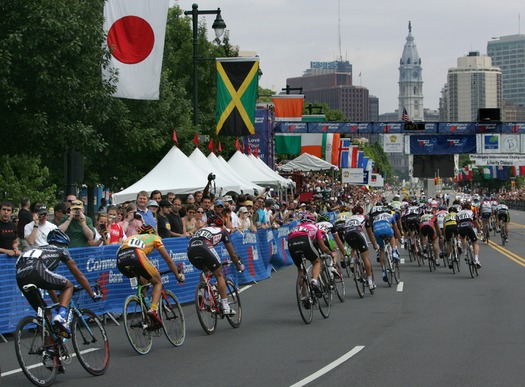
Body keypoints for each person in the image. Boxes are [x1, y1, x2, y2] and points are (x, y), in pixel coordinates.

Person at [15, 229, 100, 337]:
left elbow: (48, 284)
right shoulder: (61, 250)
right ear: (64, 244)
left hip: (20, 276)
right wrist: (92, 294)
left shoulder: (41, 249)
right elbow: (78, 275)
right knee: (69, 286)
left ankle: (48, 350)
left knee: (47, 315)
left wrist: (58, 304)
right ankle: (61, 317)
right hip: (36, 270)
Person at [116, 225, 185, 325]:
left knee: (142, 280)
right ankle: (153, 310)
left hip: (120, 259)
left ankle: (146, 308)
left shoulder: (132, 237)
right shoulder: (155, 238)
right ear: (153, 233)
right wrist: (177, 275)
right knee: (157, 282)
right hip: (136, 254)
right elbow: (168, 260)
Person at [187, 214, 244, 316]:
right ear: (221, 225)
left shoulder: (202, 229)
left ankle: (201, 296)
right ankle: (226, 307)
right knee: (219, 274)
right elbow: (232, 254)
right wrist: (238, 265)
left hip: (191, 250)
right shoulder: (222, 231)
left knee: (206, 271)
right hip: (204, 247)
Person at [287, 214, 333, 306]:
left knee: (300, 270)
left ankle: (304, 297)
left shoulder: (296, 227)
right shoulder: (315, 227)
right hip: (304, 240)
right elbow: (323, 247)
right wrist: (330, 253)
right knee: (317, 261)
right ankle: (314, 281)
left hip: (291, 242)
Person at [457, 201, 481, 269]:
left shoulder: (458, 213)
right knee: (475, 243)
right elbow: (476, 223)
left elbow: (456, 223)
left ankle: (465, 253)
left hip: (461, 226)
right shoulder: (471, 212)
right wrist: (479, 230)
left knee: (463, 237)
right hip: (469, 225)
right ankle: (476, 260)